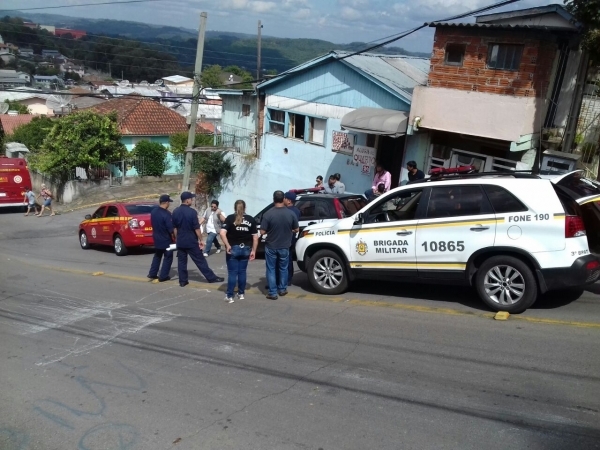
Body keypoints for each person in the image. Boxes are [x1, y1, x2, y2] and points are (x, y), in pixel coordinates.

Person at [172, 191, 224, 287]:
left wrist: (176, 238)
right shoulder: (192, 212)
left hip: (181, 240)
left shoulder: (175, 211)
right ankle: (211, 278)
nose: (192, 200)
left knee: (181, 261)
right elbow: (196, 228)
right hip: (191, 240)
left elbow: (175, 228)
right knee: (200, 260)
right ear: (187, 200)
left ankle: (183, 281)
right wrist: (201, 239)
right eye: (191, 199)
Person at [260, 190, 299, 300]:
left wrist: (270, 230)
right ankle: (282, 289)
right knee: (283, 268)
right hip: (285, 245)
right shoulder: (290, 213)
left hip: (271, 245)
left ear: (273, 200)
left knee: (271, 269)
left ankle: (272, 292)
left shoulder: (268, 214)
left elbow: (262, 232)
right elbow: (296, 229)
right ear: (283, 199)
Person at [220, 200, 259, 303]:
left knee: (232, 273)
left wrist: (227, 245)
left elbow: (222, 233)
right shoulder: (251, 219)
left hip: (234, 247)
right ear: (245, 208)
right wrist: (254, 251)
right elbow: (255, 237)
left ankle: (230, 295)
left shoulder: (230, 218)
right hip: (246, 248)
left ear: (234, 208)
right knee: (242, 272)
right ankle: (241, 293)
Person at [147, 194, 175, 283]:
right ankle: (163, 276)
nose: (169, 204)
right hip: (166, 239)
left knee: (157, 256)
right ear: (166, 202)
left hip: (156, 237)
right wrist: (175, 237)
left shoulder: (154, 211)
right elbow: (170, 228)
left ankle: (152, 273)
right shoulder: (167, 214)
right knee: (168, 257)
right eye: (169, 202)